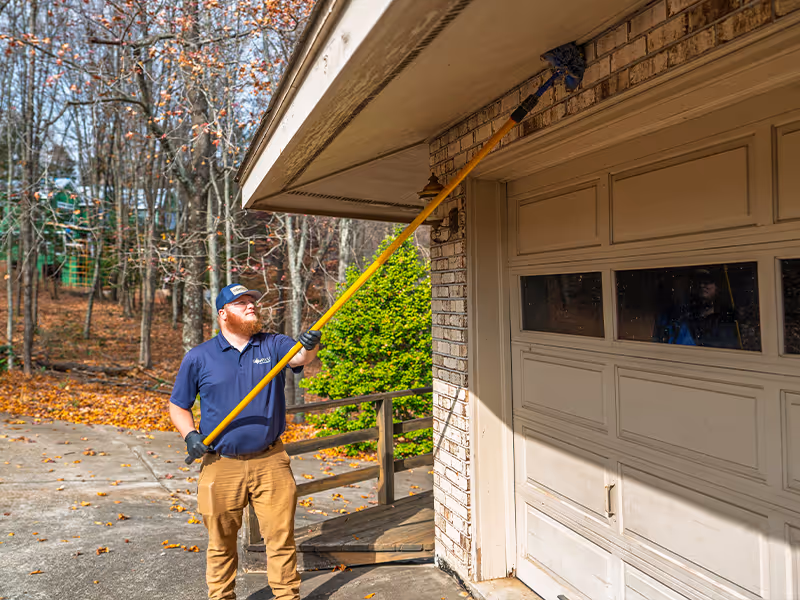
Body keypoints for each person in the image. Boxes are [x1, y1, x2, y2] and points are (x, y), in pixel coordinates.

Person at [169, 283, 321, 600]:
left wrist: (310, 345)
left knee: (280, 538)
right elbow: (178, 405)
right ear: (223, 314)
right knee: (221, 542)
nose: (251, 306)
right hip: (220, 464)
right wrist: (190, 435)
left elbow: (300, 358)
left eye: (252, 302)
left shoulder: (272, 345)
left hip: (271, 461)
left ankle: (287, 596)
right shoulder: (199, 357)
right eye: (241, 303)